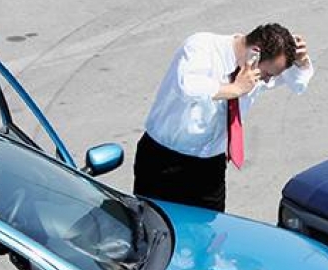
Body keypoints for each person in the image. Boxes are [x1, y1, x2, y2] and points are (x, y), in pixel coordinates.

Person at [133, 23, 314, 212]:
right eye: (268, 74)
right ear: (255, 53)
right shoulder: (201, 46)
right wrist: (235, 89)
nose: (267, 80)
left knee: (210, 233)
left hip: (210, 167)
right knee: (152, 231)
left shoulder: (253, 70)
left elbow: (298, 84)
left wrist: (302, 63)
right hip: (164, 161)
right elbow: (188, 87)